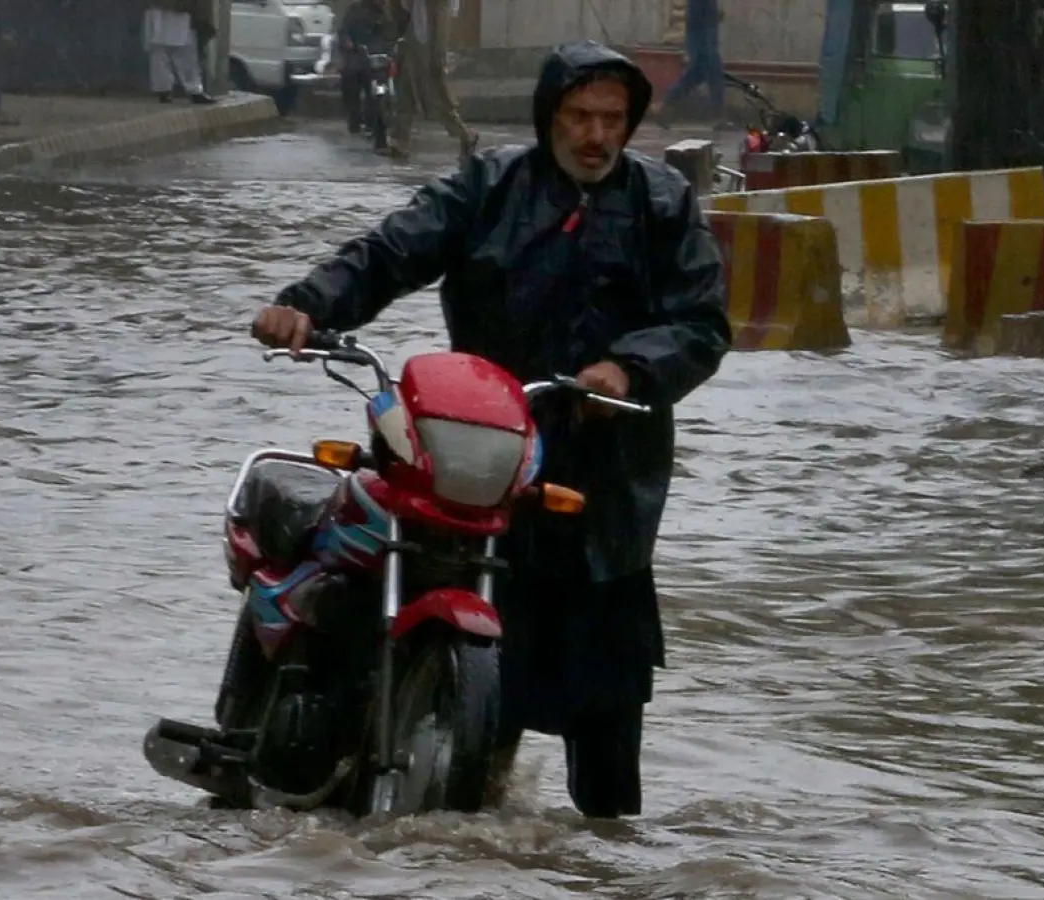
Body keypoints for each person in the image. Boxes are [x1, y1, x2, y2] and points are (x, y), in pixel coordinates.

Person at [250, 41, 731, 818]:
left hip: (602, 480)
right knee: (437, 629)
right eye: (579, 115)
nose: (595, 135)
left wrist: (629, 370)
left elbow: (701, 322)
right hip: (475, 456)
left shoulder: (662, 202)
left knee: (607, 702)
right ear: (549, 117)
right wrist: (307, 304)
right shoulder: (489, 185)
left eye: (611, 118)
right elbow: (390, 251)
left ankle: (603, 861)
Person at [382, 0, 477, 160]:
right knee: (406, 94)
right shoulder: (419, 6)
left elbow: (442, 33)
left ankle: (466, 135)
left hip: (428, 56)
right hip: (413, 48)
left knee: (435, 99)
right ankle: (400, 142)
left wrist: (438, 58)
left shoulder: (440, 5)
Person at [335, 0, 395, 135]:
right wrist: (348, 43)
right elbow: (343, 30)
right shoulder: (355, 10)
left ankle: (375, 118)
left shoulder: (388, 13)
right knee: (350, 79)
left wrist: (389, 48)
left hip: (378, 58)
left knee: (379, 87)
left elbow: (392, 35)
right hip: (357, 55)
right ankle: (354, 118)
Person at [661, 0, 725, 124]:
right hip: (702, 17)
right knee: (709, 64)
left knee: (702, 67)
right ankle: (718, 113)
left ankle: (671, 101)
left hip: (704, 16)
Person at [144, 0, 215, 105]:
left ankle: (194, 90)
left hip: (181, 14)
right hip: (160, 13)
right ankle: (164, 91)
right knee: (160, 53)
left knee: (186, 54)